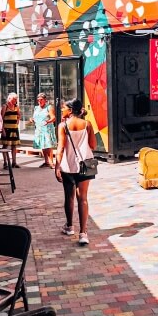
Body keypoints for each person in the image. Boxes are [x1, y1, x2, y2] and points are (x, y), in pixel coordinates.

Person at [55, 98, 97, 245]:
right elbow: (93, 144)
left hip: (68, 166)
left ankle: (69, 226)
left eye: (64, 108)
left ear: (71, 110)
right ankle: (83, 233)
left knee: (69, 197)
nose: (62, 110)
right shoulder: (87, 124)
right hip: (86, 164)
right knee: (83, 198)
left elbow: (60, 148)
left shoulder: (63, 125)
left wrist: (56, 166)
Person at [31, 92, 57, 167]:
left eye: (41, 100)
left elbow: (53, 118)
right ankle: (46, 162)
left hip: (47, 129)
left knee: (48, 146)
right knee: (42, 145)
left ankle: (51, 162)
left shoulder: (49, 107)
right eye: (38, 100)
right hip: (39, 129)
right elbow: (35, 117)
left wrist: (48, 121)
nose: (39, 101)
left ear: (45, 100)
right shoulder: (36, 108)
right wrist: (32, 119)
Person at [0, 92, 21, 168]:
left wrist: (18, 119)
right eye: (14, 99)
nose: (15, 100)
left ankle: (14, 162)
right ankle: (5, 162)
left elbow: (19, 114)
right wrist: (2, 130)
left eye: (16, 99)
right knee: (5, 145)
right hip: (7, 128)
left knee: (14, 146)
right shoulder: (5, 106)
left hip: (14, 129)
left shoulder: (16, 107)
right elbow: (1, 119)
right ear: (9, 99)